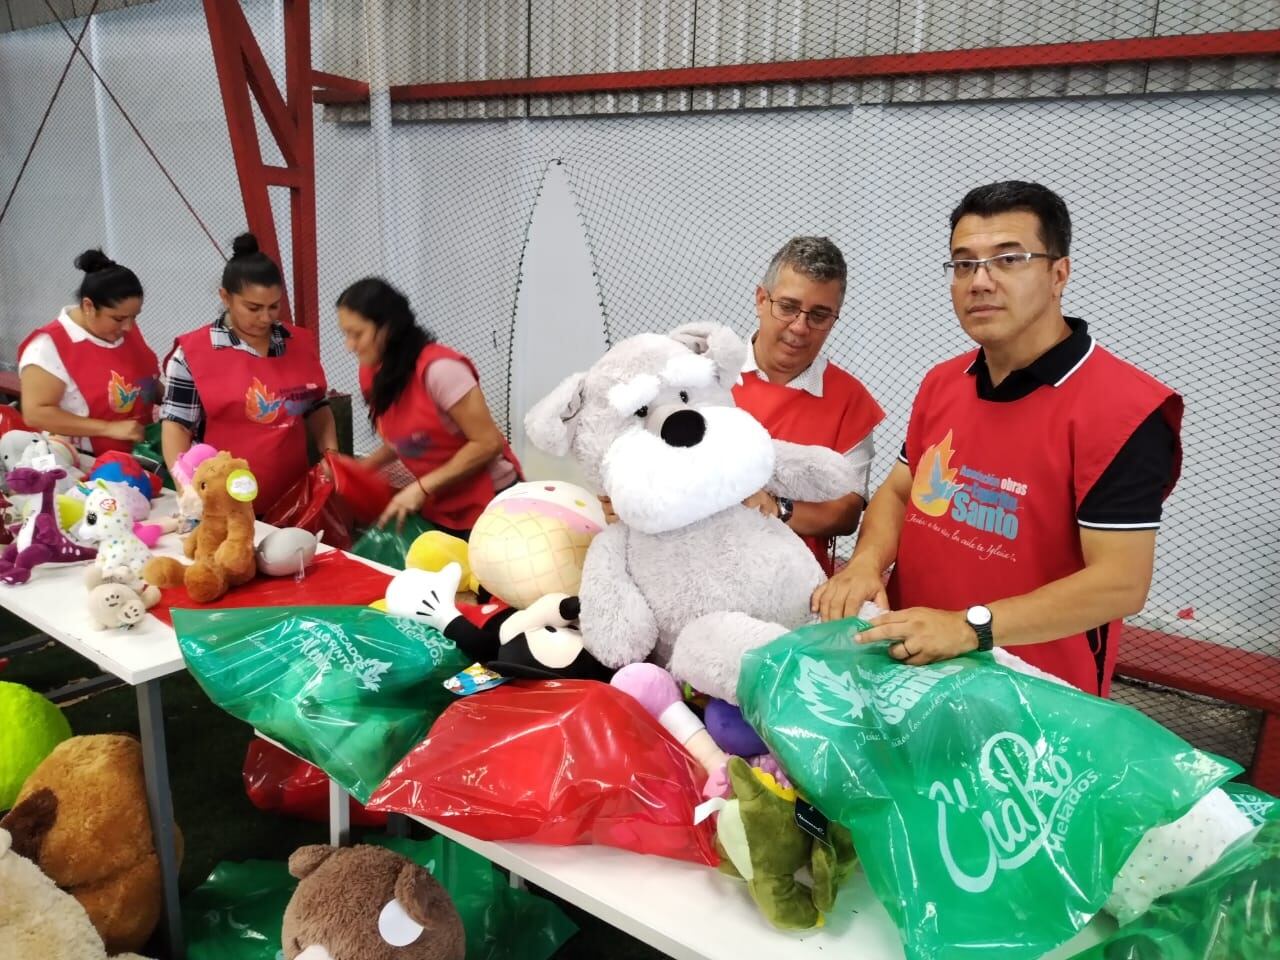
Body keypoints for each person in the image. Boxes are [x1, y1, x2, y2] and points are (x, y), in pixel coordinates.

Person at [813, 181, 1182, 697]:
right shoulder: (943, 381)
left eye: (1008, 259)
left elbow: (1120, 582)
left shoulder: (1123, 411)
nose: (979, 281)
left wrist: (968, 628)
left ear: (1059, 274)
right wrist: (866, 563)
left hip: (1034, 700)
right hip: (909, 668)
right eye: (963, 264)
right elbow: (901, 491)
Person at [734, 237, 884, 573]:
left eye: (819, 315)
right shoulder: (705, 373)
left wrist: (776, 508)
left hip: (795, 590)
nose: (800, 328)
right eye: (787, 307)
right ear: (761, 299)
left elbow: (846, 512)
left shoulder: (850, 400)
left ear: (835, 318)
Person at [158, 233, 337, 514]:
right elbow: (178, 425)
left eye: (274, 306)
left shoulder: (297, 343)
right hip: (223, 499)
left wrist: (331, 455)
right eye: (253, 308)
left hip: (294, 497)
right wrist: (186, 485)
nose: (266, 318)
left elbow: (317, 407)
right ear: (225, 297)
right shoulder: (193, 354)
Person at [336, 276, 522, 533]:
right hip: (440, 501)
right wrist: (363, 468)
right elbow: (404, 438)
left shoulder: (441, 370)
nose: (349, 345)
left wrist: (421, 488)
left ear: (388, 328)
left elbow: (488, 443)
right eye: (345, 334)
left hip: (490, 500)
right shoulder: (372, 372)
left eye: (357, 334)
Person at [18, 249, 159, 454]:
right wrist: (108, 429)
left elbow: (142, 378)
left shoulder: (124, 329)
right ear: (88, 306)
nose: (129, 327)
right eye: (119, 318)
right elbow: (35, 413)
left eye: (134, 317)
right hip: (84, 460)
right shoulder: (48, 347)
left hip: (139, 451)